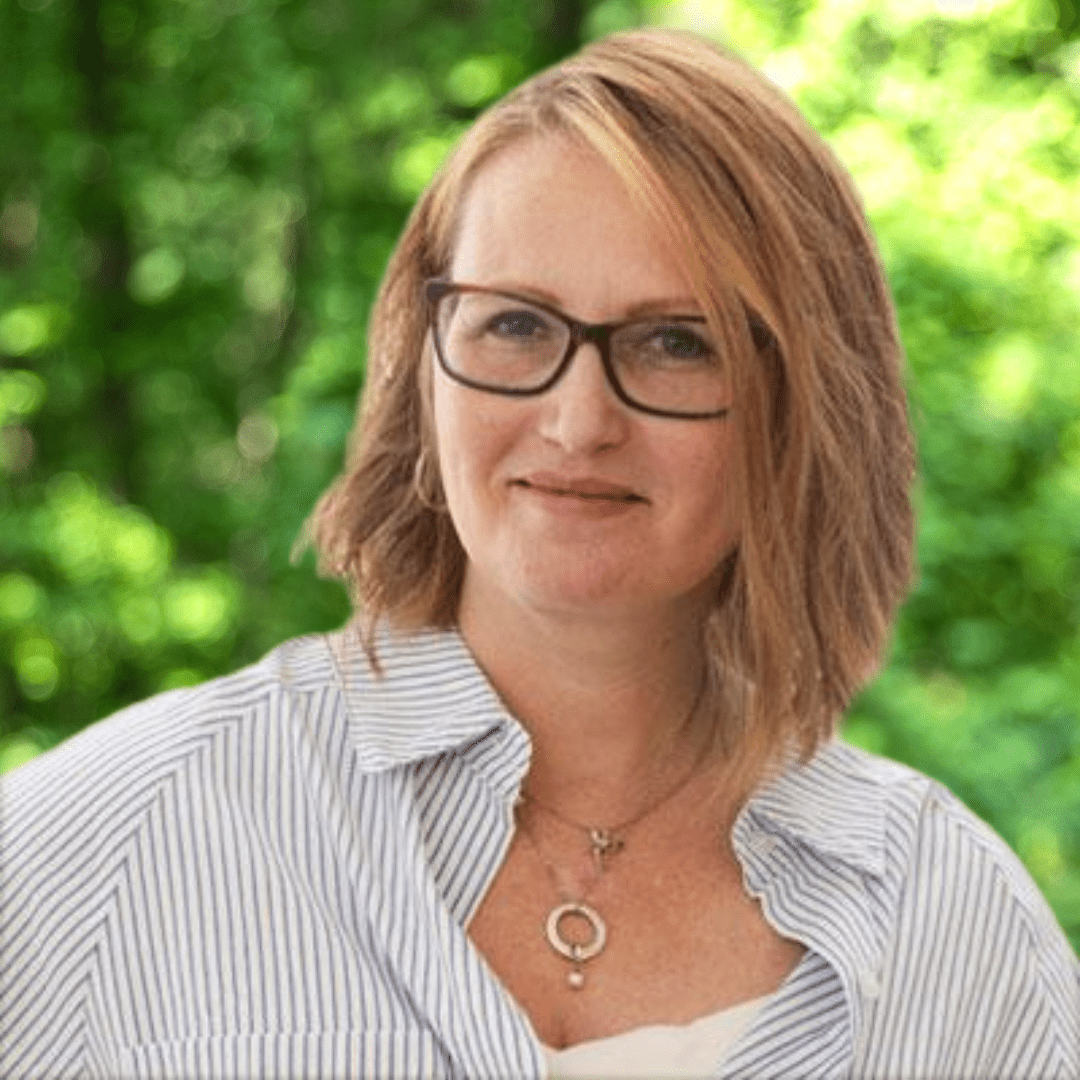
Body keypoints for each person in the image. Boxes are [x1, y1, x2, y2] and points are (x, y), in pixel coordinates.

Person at [1, 27, 1077, 1080]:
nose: (577, 421)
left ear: (804, 408)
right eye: (515, 325)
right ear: (424, 367)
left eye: (676, 343)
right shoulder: (101, 849)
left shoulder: (952, 925)